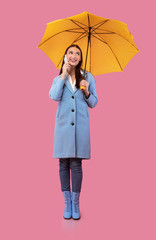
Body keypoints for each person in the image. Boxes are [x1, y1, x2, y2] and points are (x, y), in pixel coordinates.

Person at [49, 44, 98, 220]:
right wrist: (63, 75)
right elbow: (54, 96)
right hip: (62, 126)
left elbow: (94, 102)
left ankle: (76, 203)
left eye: (77, 53)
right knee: (63, 163)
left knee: (76, 165)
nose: (74, 56)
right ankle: (67, 203)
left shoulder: (87, 76)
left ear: (81, 57)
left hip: (80, 126)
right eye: (70, 52)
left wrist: (86, 91)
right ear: (65, 56)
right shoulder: (59, 77)